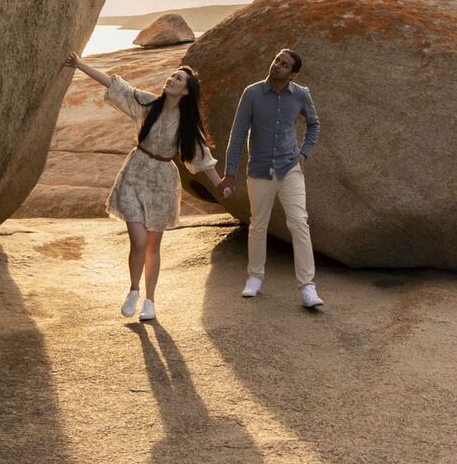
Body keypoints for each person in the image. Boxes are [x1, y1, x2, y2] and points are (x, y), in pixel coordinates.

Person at [66, 53, 234, 322]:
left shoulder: (187, 124)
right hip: (134, 174)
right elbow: (115, 86)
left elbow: (202, 159)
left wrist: (220, 184)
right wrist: (80, 65)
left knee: (152, 246)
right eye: (172, 76)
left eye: (178, 78)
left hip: (161, 182)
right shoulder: (148, 103)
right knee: (138, 241)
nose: (171, 79)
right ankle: (133, 290)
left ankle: (150, 300)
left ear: (186, 90)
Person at [226, 48, 323, 309]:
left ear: (292, 74)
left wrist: (304, 154)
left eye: (283, 64)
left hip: (290, 167)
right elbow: (237, 134)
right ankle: (255, 277)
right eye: (276, 60)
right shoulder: (252, 93)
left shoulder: (301, 95)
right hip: (259, 169)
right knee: (258, 224)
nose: (276, 65)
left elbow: (314, 124)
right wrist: (230, 173)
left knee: (299, 222)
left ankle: (307, 287)